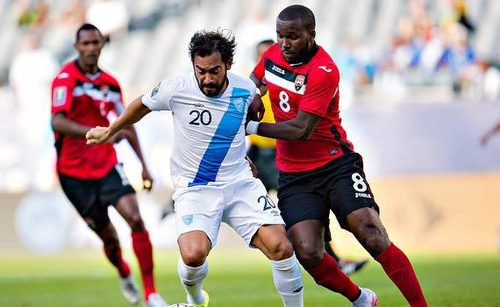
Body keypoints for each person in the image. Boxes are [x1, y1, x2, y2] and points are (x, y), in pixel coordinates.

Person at [86, 30, 304, 307]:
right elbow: (141, 105)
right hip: (195, 187)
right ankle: (195, 300)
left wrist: (241, 155)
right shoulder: (176, 88)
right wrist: (110, 130)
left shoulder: (245, 90)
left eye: (214, 71)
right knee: (192, 256)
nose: (207, 79)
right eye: (201, 71)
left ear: (227, 64)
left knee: (281, 247)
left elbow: (239, 124)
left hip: (239, 184)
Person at [247, 5, 428, 307]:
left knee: (371, 233)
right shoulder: (272, 56)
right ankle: (361, 299)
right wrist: (251, 97)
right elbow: (255, 83)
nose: (284, 43)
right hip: (294, 175)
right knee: (307, 252)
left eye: (292, 37)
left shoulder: (324, 70)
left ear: (311, 35)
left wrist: (251, 125)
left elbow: (302, 129)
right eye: (280, 36)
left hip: (335, 165)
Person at [50, 23, 166, 307]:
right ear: (77, 47)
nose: (91, 48)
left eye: (95, 43)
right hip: (74, 173)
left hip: (106, 165)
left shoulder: (110, 84)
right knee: (110, 240)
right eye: (85, 44)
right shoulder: (66, 79)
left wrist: (143, 165)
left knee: (136, 219)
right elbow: (58, 121)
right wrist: (99, 130)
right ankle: (123, 271)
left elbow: (126, 123)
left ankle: (151, 293)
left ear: (102, 45)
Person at [249, 39, 368, 276]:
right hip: (259, 151)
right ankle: (258, 233)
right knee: (245, 192)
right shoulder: (254, 87)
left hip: (281, 152)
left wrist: (254, 125)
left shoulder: (291, 81)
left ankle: (328, 256)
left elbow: (300, 124)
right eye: (263, 56)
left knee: (303, 206)